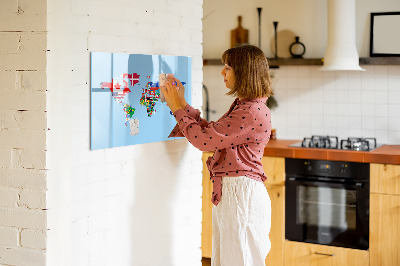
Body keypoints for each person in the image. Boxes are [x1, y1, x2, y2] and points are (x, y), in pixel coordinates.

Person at [161, 44, 273, 266]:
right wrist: (182, 104)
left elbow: (204, 141)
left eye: (228, 67)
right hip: (236, 193)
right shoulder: (246, 106)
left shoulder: (250, 111)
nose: (222, 72)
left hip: (241, 195)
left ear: (244, 72)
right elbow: (212, 133)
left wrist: (176, 108)